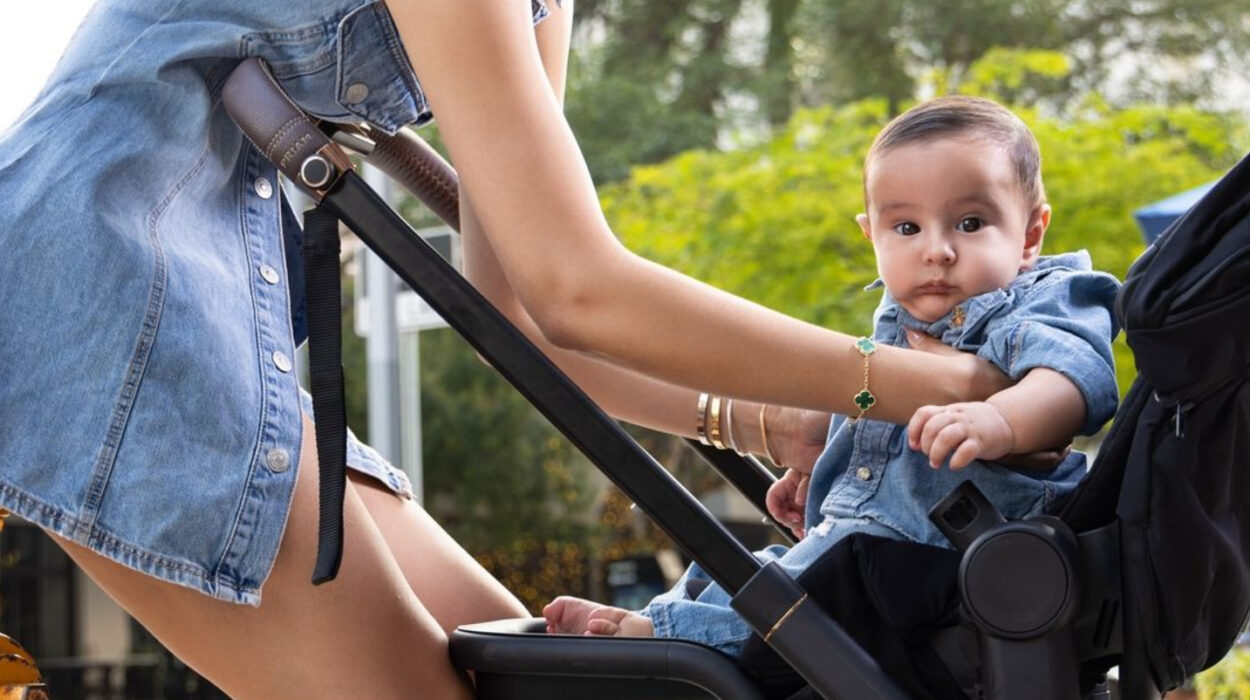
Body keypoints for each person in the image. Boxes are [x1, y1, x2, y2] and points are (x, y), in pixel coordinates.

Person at [0, 2, 1016, 698]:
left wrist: (768, 417)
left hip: (220, 311)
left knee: (550, 674)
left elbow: (523, 311)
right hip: (94, 289)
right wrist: (937, 383)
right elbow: (578, 287)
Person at [543, 95, 1121, 655]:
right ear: (871, 234)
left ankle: (669, 637)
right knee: (753, 569)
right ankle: (663, 615)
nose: (937, 250)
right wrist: (828, 469)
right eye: (907, 228)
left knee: (807, 597)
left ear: (1030, 234)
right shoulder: (900, 318)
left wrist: (1000, 419)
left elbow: (1071, 385)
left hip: (959, 555)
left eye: (970, 223)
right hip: (867, 541)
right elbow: (878, 429)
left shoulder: (1044, 298)